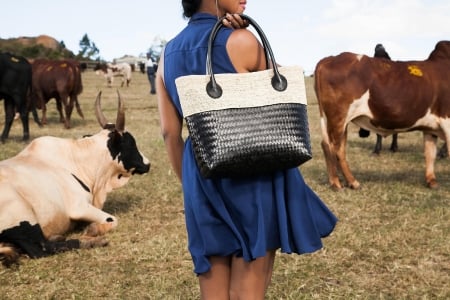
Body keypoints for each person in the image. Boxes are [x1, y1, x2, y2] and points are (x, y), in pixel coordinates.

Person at [156, 0, 338, 298]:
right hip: (251, 170)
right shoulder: (242, 39)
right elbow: (278, 93)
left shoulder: (167, 53)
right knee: (249, 289)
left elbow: (169, 132)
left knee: (213, 288)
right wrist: (256, 45)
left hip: (200, 172)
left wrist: (190, 185)